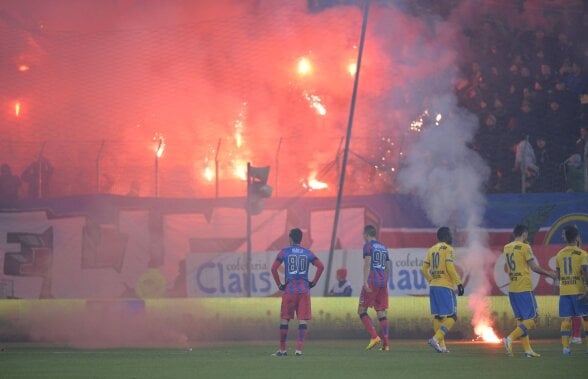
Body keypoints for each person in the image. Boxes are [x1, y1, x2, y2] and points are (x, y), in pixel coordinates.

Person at [502, 224, 557, 358]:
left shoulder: (507, 247)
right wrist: (549, 274)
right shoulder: (525, 247)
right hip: (524, 288)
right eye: (527, 234)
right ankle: (509, 339)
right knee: (533, 318)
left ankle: (527, 350)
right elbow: (534, 267)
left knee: (522, 320)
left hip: (513, 288)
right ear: (524, 233)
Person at [270, 228, 324, 357]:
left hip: (289, 290)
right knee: (303, 320)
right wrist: (314, 282)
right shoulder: (308, 253)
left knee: (285, 319)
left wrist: (279, 284)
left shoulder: (284, 252)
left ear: (290, 239)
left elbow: (273, 269)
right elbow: (321, 266)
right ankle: (299, 350)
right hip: (304, 290)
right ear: (301, 239)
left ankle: (282, 350)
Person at [421, 227, 464, 353]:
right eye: (450, 234)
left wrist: (431, 280)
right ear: (446, 236)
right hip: (445, 286)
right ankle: (435, 339)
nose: (452, 237)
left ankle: (442, 346)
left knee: (438, 317)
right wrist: (459, 283)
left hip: (434, 286)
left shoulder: (431, 249)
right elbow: (450, 267)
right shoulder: (448, 249)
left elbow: (424, 269)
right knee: (452, 316)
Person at [554, 225, 588, 356]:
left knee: (566, 319)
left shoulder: (559, 254)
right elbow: (585, 272)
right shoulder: (583, 254)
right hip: (579, 290)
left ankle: (565, 348)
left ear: (566, 238)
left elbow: (558, 276)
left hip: (565, 291)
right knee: (585, 317)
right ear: (577, 237)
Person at [358, 224, 391, 352]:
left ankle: (374, 337)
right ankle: (386, 344)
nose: (363, 237)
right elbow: (388, 266)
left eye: (363, 234)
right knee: (381, 312)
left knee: (361, 310)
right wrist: (385, 280)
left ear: (366, 234)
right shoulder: (383, 247)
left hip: (372, 281)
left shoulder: (368, 246)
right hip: (383, 282)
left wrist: (365, 281)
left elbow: (367, 263)